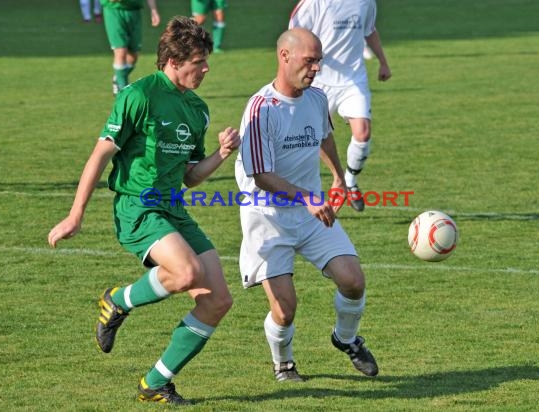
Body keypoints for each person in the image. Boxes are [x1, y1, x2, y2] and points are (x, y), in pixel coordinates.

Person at [48, 16, 240, 405]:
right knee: (187, 272)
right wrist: (75, 214)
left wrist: (221, 153)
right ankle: (118, 300)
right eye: (198, 61)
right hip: (137, 207)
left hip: (174, 210)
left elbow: (190, 177)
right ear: (173, 60)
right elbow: (101, 153)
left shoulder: (198, 110)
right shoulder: (138, 96)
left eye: (206, 61)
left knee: (218, 300)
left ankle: (155, 383)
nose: (205, 69)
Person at [235, 27, 379, 382]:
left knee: (353, 281)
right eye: (310, 60)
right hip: (267, 219)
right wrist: (308, 197)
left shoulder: (316, 98)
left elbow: (325, 135)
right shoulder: (260, 109)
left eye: (319, 61)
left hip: (311, 213)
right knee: (285, 310)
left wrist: (337, 178)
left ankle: (346, 339)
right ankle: (283, 364)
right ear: (284, 56)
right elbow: (261, 175)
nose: (316, 68)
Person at [289, 0, 392, 212]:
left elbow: (369, 30)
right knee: (315, 134)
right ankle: (338, 179)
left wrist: (383, 61)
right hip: (317, 79)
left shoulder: (366, 2)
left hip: (353, 80)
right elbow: (292, 36)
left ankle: (350, 180)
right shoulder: (313, 3)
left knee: (362, 133)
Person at [100, 0, 161, 96]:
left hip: (134, 12)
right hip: (114, 11)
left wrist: (153, 10)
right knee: (120, 51)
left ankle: (119, 77)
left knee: (133, 56)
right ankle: (123, 92)